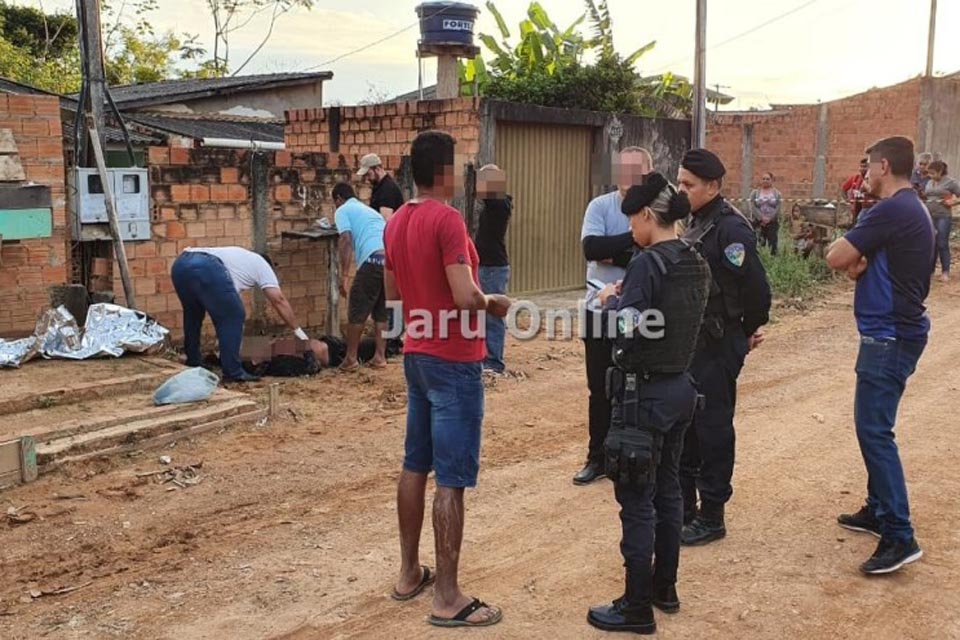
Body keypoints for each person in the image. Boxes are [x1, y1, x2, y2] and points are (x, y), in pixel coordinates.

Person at [385, 130, 511, 628]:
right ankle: (448, 598)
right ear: (443, 172)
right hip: (454, 360)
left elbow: (394, 295)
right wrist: (493, 303)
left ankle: (408, 572)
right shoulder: (448, 220)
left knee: (415, 464)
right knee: (452, 478)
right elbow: (464, 295)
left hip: (416, 353)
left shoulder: (396, 223)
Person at [586, 173, 710, 635]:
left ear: (644, 216)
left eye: (632, 222)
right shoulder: (695, 260)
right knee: (670, 490)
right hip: (681, 388)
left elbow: (628, 331)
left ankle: (636, 608)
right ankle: (665, 589)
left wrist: (610, 301)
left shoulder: (646, 265)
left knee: (636, 501)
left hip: (644, 397)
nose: (631, 232)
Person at [826, 136, 934, 575]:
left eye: (868, 166)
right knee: (875, 427)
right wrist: (859, 261)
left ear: (884, 166)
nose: (865, 173)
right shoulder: (912, 208)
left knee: (874, 431)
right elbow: (855, 265)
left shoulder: (889, 210)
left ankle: (899, 534)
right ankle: (878, 509)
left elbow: (837, 257)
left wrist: (856, 258)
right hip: (897, 332)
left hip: (888, 336)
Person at [677, 149, 772, 546]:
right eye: (678, 183)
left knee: (713, 427)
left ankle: (712, 513)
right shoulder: (697, 220)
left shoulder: (732, 229)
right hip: (693, 341)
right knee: (687, 424)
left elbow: (756, 289)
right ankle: (684, 508)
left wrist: (747, 331)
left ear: (712, 186)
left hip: (719, 341)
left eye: (689, 185)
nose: (681, 191)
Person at [575, 146, 653, 486]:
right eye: (623, 169)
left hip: (641, 313)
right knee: (599, 388)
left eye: (635, 170)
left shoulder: (657, 208)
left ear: (647, 174)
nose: (628, 176)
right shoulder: (600, 206)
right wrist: (634, 242)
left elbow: (656, 254)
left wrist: (616, 251)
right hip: (598, 311)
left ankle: (632, 458)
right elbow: (592, 249)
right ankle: (598, 458)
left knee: (638, 386)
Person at [170, 246, 309, 383]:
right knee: (235, 315)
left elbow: (226, 303)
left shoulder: (238, 260)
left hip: (181, 264)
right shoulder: (262, 264)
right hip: (207, 266)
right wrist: (298, 331)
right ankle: (233, 372)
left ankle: (193, 360)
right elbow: (278, 299)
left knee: (193, 313)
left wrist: (227, 341)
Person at [333, 182, 388, 372]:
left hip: (372, 260)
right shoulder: (370, 211)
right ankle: (380, 357)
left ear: (338, 199)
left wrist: (345, 275)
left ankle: (351, 359)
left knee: (357, 308)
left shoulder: (343, 210)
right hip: (389, 261)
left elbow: (345, 239)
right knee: (381, 309)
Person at [474, 164, 513, 374]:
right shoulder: (496, 203)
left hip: (493, 267)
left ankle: (494, 362)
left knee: (493, 315)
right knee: (485, 313)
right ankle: (487, 358)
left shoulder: (498, 203)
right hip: (488, 266)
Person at [924, 160, 960, 282]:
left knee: (942, 243)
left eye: (933, 173)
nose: (931, 176)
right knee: (931, 243)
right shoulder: (929, 182)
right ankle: (931, 270)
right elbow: (927, 196)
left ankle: (945, 271)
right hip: (929, 216)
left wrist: (953, 202)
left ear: (940, 171)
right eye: (929, 173)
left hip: (943, 216)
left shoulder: (951, 182)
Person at [358, 153, 405, 220]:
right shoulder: (380, 186)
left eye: (368, 174)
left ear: (377, 169)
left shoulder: (387, 189)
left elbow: (385, 221)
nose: (367, 178)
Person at [749, 172, 782, 255]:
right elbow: (753, 206)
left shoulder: (777, 193)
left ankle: (774, 262)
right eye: (763, 179)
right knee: (759, 244)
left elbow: (778, 207)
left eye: (767, 179)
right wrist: (761, 218)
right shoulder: (755, 193)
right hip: (759, 222)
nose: (765, 181)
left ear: (772, 180)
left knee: (773, 244)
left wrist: (770, 218)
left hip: (772, 222)